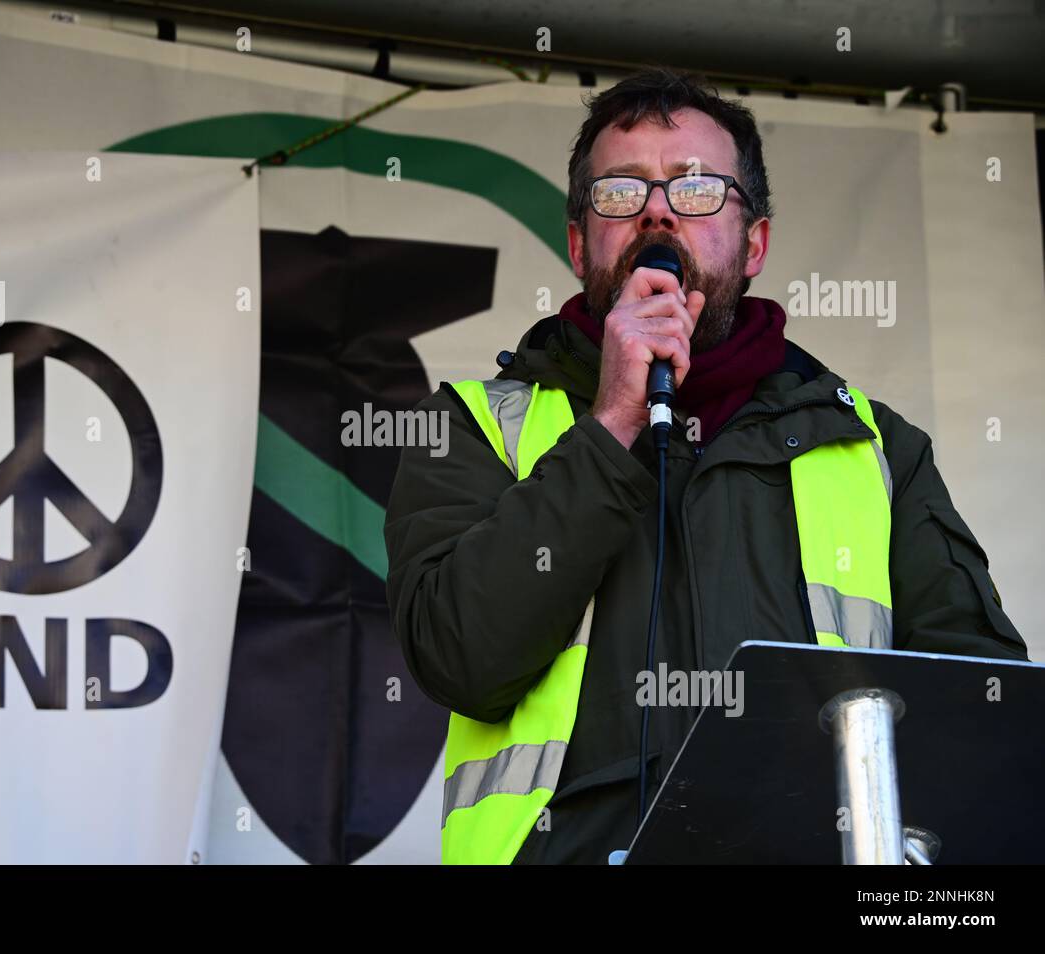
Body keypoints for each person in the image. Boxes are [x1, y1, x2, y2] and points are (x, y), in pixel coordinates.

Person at [383, 67, 1030, 865]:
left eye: (695, 190)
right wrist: (613, 420)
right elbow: (461, 660)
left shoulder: (874, 445)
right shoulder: (477, 425)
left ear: (753, 241)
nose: (657, 210)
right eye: (620, 193)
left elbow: (982, 706)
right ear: (580, 242)